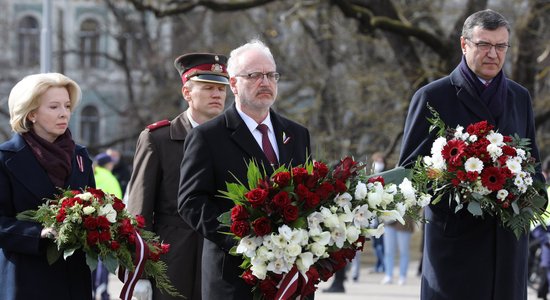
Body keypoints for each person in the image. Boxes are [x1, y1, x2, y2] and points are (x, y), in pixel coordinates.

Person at [398, 9, 544, 300]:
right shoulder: (432, 96)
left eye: (500, 46)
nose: (493, 54)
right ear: (464, 45)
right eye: (484, 44)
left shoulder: (520, 97)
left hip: (508, 250)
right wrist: (462, 185)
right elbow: (408, 174)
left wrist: (531, 196)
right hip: (455, 250)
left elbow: (534, 169)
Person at [177, 39, 311, 300]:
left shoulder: (297, 134)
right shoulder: (208, 136)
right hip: (234, 278)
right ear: (234, 83)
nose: (265, 82)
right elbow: (191, 202)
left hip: (291, 277)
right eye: (254, 75)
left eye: (271, 75)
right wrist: (244, 241)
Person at [126, 52, 230, 300]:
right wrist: (139, 273)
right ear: (187, 93)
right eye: (207, 88)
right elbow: (139, 212)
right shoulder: (158, 139)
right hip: (172, 260)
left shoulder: (232, 139)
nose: (217, 95)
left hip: (221, 259)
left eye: (221, 88)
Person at [0, 73, 95, 299]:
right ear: (31, 113)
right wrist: (38, 233)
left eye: (67, 105)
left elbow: (93, 204)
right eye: (53, 106)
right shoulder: (5, 158)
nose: (64, 113)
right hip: (26, 279)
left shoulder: (80, 156)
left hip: (73, 279)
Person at [92, 152, 123, 300]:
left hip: (90, 223)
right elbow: (118, 201)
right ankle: (103, 290)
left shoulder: (94, 175)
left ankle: (93, 289)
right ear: (108, 164)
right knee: (104, 259)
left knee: (91, 258)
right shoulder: (109, 178)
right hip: (107, 224)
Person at [381, 216, 414, 285]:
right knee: (388, 251)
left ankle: (402, 276)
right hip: (389, 221)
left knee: (404, 251)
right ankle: (388, 275)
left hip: (405, 222)